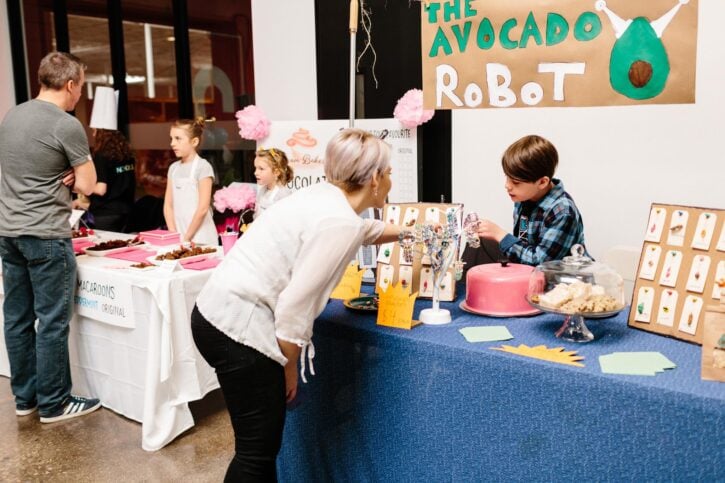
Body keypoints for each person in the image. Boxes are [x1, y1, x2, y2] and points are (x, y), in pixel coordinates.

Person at [191, 128, 400, 481]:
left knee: (255, 449)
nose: (391, 178)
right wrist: (287, 369)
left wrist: (414, 231)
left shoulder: (325, 198)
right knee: (256, 455)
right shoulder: (340, 221)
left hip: (213, 315)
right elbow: (293, 309)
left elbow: (365, 231)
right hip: (239, 329)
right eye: (390, 171)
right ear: (376, 178)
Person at [0, 51, 102, 422]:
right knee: (53, 321)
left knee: (17, 317)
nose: (80, 95)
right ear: (71, 84)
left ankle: (25, 398)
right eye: (82, 87)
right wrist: (77, 176)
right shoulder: (65, 124)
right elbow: (89, 184)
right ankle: (55, 402)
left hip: (8, 232)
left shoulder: (13, 116)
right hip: (45, 233)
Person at [466, 134, 587, 267]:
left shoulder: (562, 212)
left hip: (557, 279)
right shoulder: (524, 199)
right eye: (507, 177)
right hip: (529, 266)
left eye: (515, 182)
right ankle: (460, 286)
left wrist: (501, 235)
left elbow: (540, 263)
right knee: (480, 243)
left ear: (542, 182)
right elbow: (522, 242)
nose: (507, 185)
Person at [163, 118, 218, 245]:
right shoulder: (173, 169)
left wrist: (187, 237)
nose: (172, 143)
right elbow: (168, 205)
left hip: (201, 238)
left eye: (178, 138)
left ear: (194, 141)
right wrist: (174, 234)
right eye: (171, 138)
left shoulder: (203, 167)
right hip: (179, 238)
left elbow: (203, 208)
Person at [73, 129, 136, 232]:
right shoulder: (127, 155)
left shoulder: (101, 155)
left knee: (108, 245)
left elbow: (101, 189)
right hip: (127, 211)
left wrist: (79, 185)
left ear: (102, 134)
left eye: (94, 131)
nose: (93, 135)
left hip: (107, 214)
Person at [253, 147, 293, 220]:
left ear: (276, 172)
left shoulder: (283, 194)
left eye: (261, 169)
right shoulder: (263, 190)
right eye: (255, 168)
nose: (256, 173)